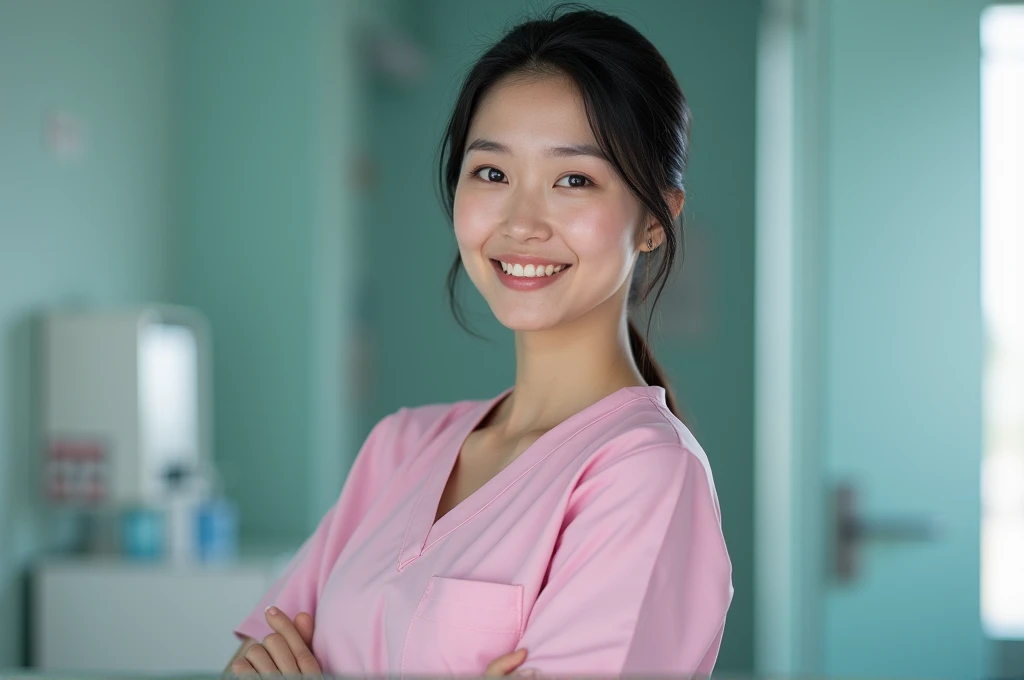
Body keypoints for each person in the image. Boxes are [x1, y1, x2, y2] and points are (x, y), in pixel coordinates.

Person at [226, 4, 733, 677]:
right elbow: (252, 662)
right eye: (492, 173)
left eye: (573, 179)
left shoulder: (644, 476)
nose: (521, 222)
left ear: (653, 220)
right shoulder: (400, 448)